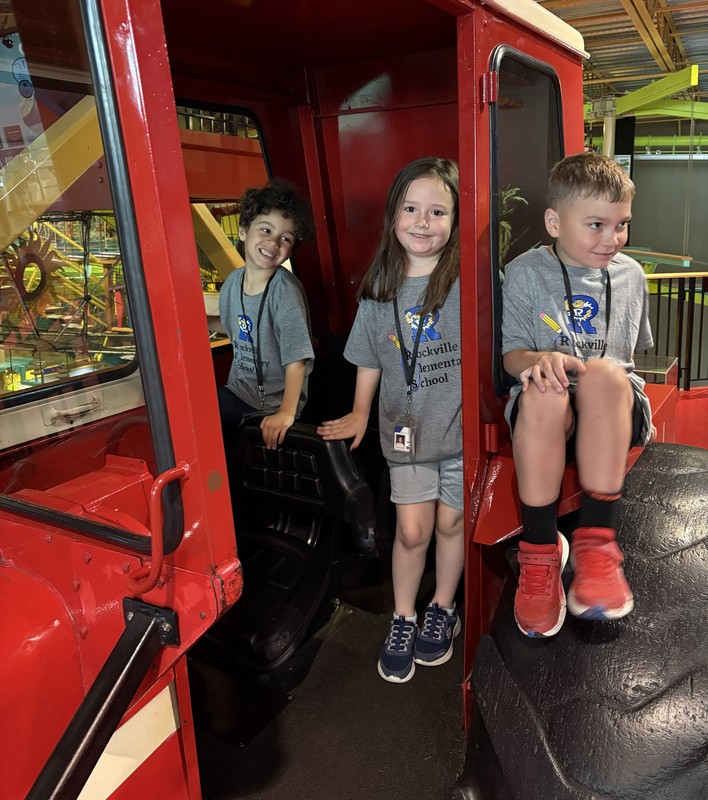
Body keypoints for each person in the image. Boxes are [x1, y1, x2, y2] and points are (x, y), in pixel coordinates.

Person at [318, 157, 463, 683]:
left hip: (460, 432)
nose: (423, 222)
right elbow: (369, 358)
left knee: (451, 522)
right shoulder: (380, 287)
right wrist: (360, 412)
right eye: (411, 208)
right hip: (406, 435)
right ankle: (404, 615)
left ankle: (442, 607)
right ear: (393, 215)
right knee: (410, 529)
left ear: (454, 219)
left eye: (437, 211)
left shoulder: (468, 282)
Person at [501, 151, 655, 639]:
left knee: (607, 374)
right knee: (543, 390)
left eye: (622, 225)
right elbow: (511, 356)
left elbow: (631, 361)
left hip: (611, 410)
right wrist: (537, 360)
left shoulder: (631, 275)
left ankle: (596, 546)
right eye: (596, 225)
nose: (612, 240)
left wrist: (595, 375)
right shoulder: (524, 273)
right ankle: (541, 555)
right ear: (554, 221)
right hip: (548, 412)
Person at [218, 179, 314, 451]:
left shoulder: (284, 292)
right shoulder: (233, 283)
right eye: (265, 230)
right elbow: (234, 326)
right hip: (240, 390)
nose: (273, 242)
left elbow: (298, 357)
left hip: (270, 402)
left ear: (289, 252)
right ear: (243, 232)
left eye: (285, 238)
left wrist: (286, 412)